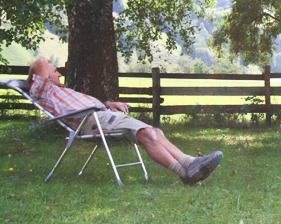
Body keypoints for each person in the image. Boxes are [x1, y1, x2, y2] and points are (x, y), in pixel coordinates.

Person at [27, 56, 222, 186]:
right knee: (149, 134)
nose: (60, 74)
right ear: (42, 77)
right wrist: (43, 71)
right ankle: (189, 168)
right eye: (55, 71)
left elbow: (80, 105)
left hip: (102, 116)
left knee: (155, 132)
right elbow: (41, 61)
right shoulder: (43, 91)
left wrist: (108, 103)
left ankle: (189, 169)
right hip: (93, 122)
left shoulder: (61, 91)